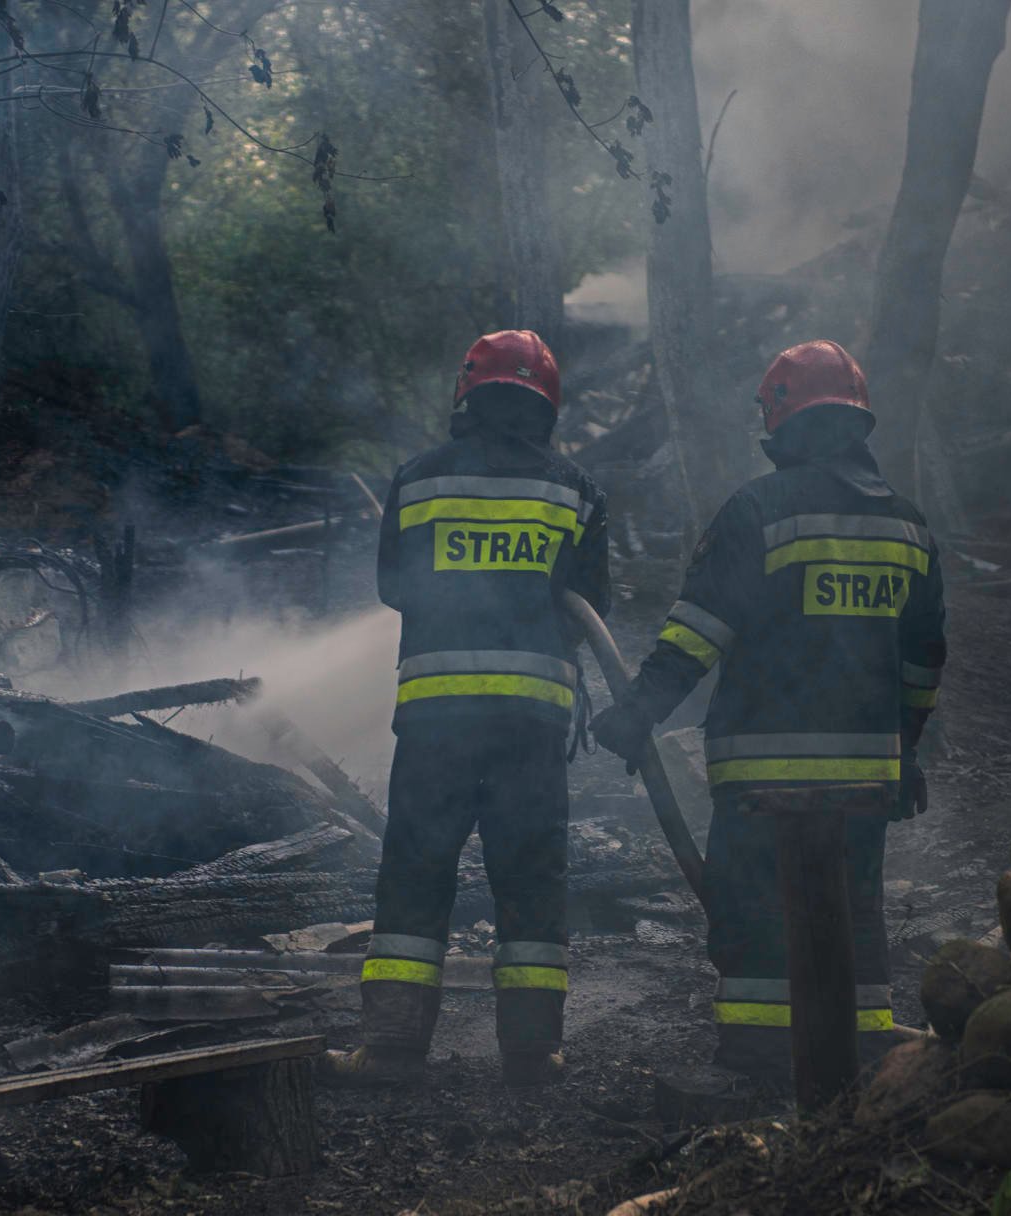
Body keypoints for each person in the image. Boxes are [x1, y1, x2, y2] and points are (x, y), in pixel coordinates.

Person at [589, 340, 946, 1080]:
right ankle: (861, 1048)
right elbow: (922, 664)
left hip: (765, 771)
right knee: (855, 907)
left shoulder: (758, 509)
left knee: (754, 906)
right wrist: (904, 751)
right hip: (867, 771)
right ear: (857, 423)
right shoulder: (908, 526)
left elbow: (697, 633)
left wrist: (638, 710)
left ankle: (758, 1052)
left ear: (781, 421)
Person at [321, 329, 611, 1088]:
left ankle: (391, 1048)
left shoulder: (420, 479)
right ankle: (534, 1051)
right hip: (532, 723)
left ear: (467, 393)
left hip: (437, 720)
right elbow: (592, 604)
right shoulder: (575, 489)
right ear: (546, 402)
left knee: (416, 870)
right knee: (531, 876)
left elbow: (394, 586)